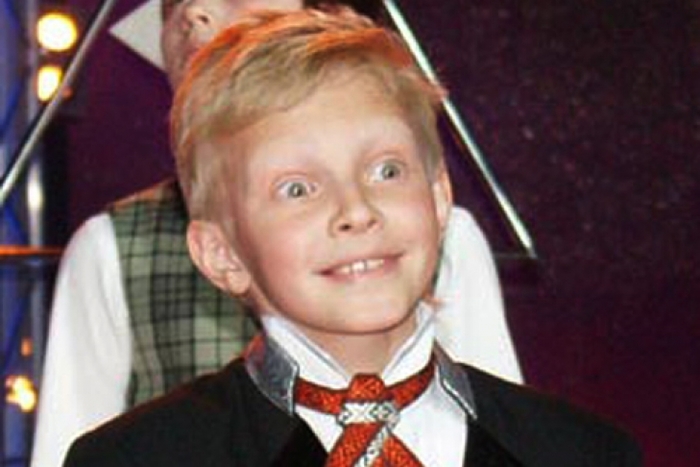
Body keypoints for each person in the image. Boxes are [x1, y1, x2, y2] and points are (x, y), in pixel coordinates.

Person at [63, 9, 641, 466]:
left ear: (439, 198)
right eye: (297, 189)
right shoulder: (139, 458)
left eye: (386, 170)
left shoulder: (580, 452)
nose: (356, 210)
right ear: (222, 254)